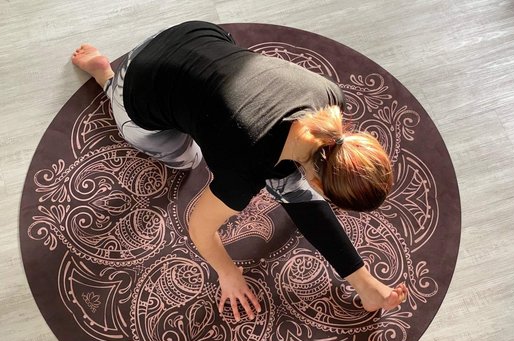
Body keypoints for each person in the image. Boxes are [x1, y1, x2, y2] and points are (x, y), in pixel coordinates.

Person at [71, 20, 408, 322]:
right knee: (186, 159)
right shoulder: (243, 169)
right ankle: (106, 78)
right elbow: (200, 228)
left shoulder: (330, 97)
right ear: (317, 181)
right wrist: (228, 273)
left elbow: (289, 164)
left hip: (195, 33)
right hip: (138, 80)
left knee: (279, 171)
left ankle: (365, 285)